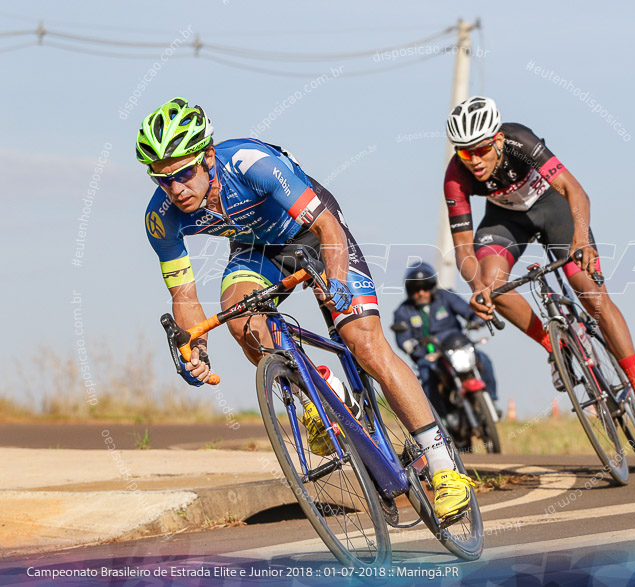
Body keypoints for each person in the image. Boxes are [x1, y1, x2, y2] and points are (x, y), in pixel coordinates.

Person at [139, 97, 472, 518]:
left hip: (315, 232)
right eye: (162, 180)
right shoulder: (160, 218)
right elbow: (185, 297)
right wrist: (196, 349)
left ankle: (443, 467)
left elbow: (326, 226)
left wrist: (335, 283)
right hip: (257, 248)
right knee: (239, 318)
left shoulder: (250, 163)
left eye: (185, 173)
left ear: (207, 157)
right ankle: (320, 393)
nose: (176, 189)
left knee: (363, 343)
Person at [443, 96, 635, 439]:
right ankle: (555, 345)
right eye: (464, 152)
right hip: (505, 221)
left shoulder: (520, 141)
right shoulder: (455, 176)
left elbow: (575, 191)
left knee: (591, 295)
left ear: (498, 139)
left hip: (554, 209)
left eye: (481, 149)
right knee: (491, 283)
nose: (473, 160)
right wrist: (476, 287)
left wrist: (581, 240)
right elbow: (463, 247)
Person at [392, 263, 498, 418]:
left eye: (426, 287)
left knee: (484, 360)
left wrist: (477, 319)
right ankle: (442, 418)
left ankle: (491, 402)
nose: (421, 293)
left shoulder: (446, 297)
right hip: (429, 355)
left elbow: (468, 312)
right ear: (409, 291)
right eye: (416, 289)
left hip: (456, 347)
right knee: (426, 375)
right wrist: (410, 345)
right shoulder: (403, 311)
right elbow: (403, 338)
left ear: (432, 287)